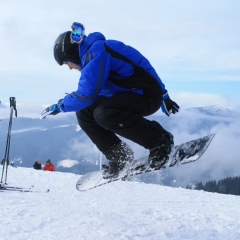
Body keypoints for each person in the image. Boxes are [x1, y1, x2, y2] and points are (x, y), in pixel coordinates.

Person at [41, 22, 179, 178]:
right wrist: (165, 96)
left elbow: (87, 94)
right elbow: (142, 67)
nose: (70, 68)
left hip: (145, 95)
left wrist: (60, 106)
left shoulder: (96, 52)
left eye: (66, 63)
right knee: (84, 112)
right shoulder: (93, 54)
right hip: (132, 95)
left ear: (71, 54)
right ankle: (119, 156)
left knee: (104, 114)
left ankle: (160, 141)